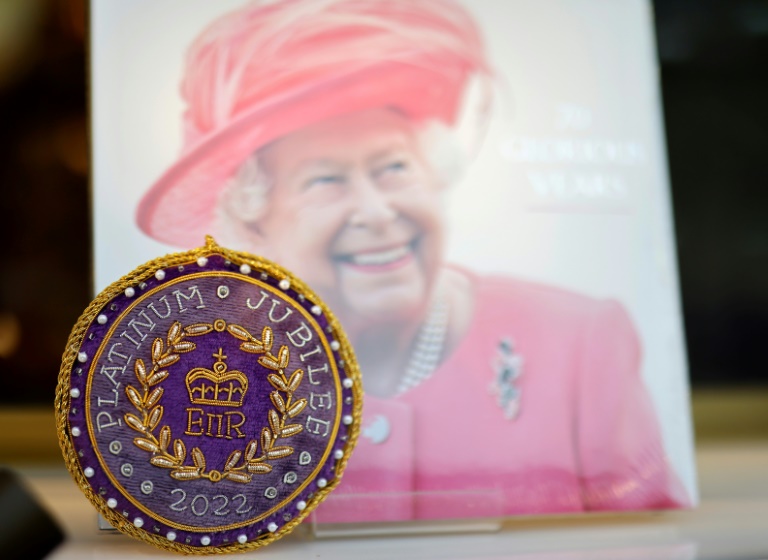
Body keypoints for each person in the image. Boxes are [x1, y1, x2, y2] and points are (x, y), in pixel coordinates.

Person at [136, 0, 690, 521]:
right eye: (325, 179)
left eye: (394, 167)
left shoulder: (580, 344)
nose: (377, 212)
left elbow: (656, 542)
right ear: (254, 217)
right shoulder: (187, 376)